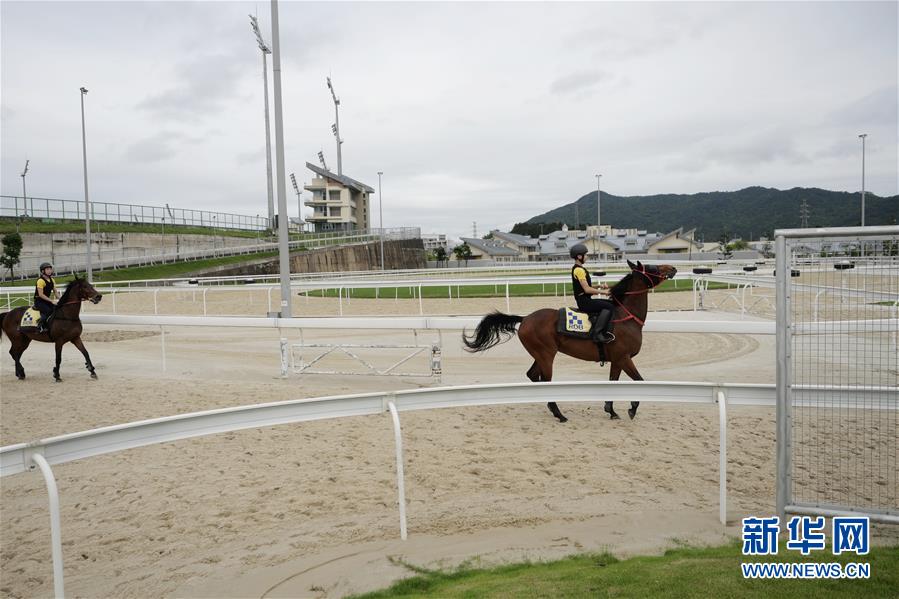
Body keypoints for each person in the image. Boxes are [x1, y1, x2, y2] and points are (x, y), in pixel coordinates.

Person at [570, 243, 615, 343]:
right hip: (584, 302)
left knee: (610, 303)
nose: (587, 257)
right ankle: (598, 334)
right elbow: (587, 290)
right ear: (579, 256)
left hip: (585, 300)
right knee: (609, 307)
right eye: (585, 255)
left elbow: (586, 288)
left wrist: (599, 286)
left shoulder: (579, 269)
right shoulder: (579, 270)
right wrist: (603, 292)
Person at [34, 262, 59, 334]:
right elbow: (41, 295)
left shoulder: (52, 280)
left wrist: (62, 299)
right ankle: (39, 326)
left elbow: (56, 292)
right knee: (48, 311)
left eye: (50, 269)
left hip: (46, 301)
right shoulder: (40, 281)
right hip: (39, 301)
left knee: (57, 309)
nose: (49, 271)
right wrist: (51, 301)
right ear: (42, 271)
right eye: (47, 269)